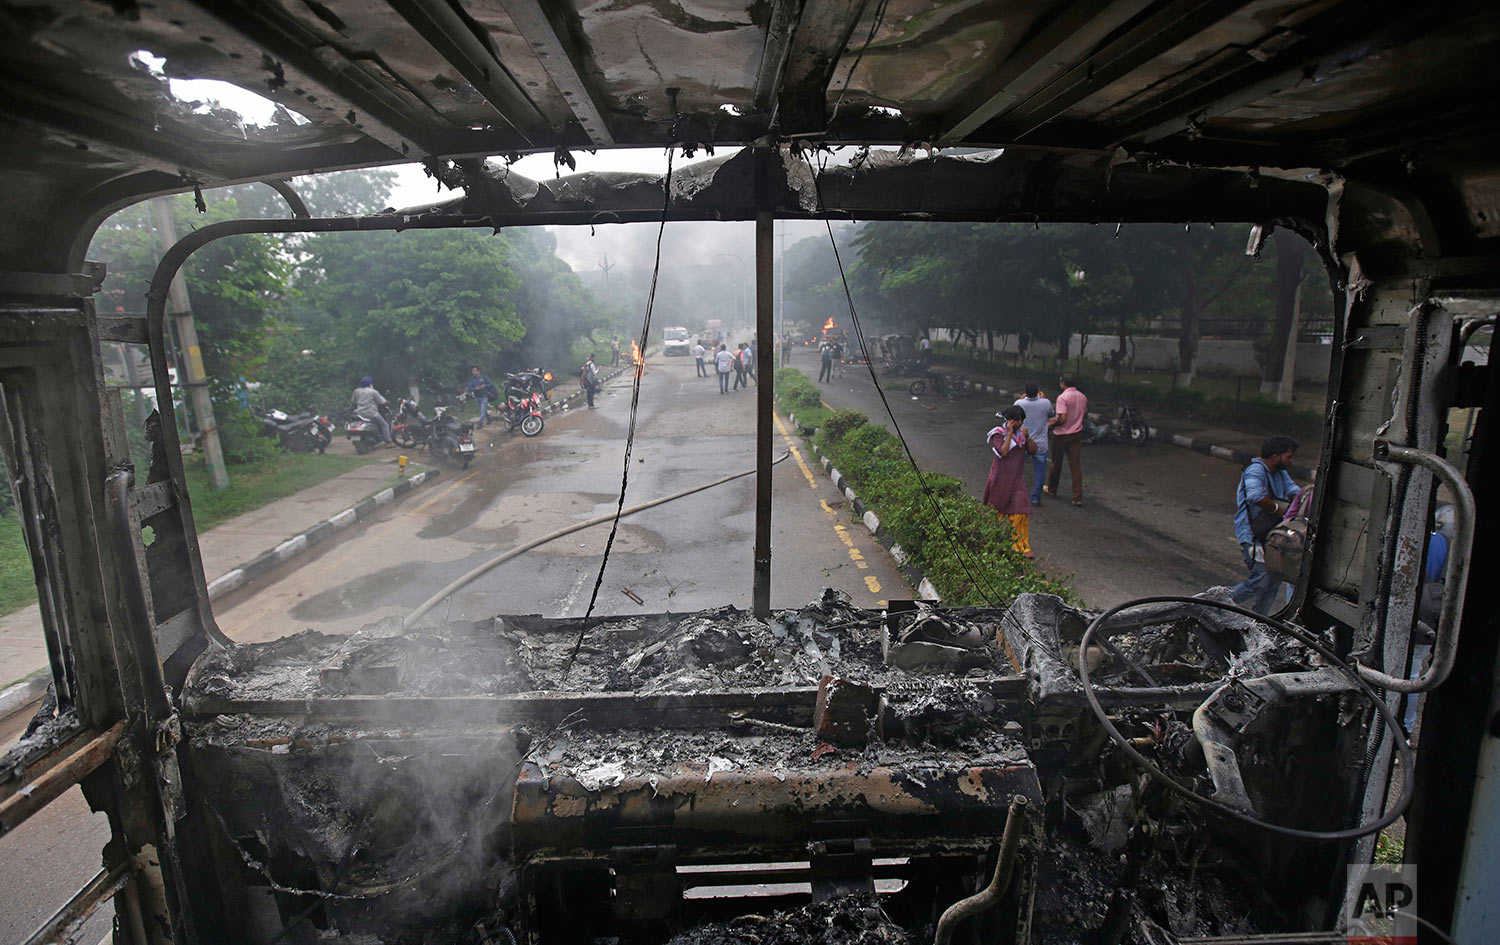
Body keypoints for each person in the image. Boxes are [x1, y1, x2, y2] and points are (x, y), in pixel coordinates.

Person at [1229, 435, 1302, 615]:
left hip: (1271, 535)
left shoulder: (1280, 472)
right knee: (1261, 578)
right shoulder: (1255, 470)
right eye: (1289, 456)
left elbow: (1295, 492)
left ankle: (1261, 619)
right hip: (1252, 535)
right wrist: (1278, 509)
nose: (1291, 461)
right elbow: (1254, 496)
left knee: (1274, 579)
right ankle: (1212, 604)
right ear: (1276, 456)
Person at [983, 406, 1037, 556]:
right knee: (997, 511)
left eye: (1022, 421)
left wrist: (1028, 438)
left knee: (1021, 510)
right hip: (1000, 479)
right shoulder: (998, 434)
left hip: (1017, 479)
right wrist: (1009, 434)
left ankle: (1021, 546)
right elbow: (1004, 452)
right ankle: (994, 540)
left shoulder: (1022, 436)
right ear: (1011, 421)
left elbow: (1033, 450)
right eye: (1019, 421)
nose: (1021, 424)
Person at [1043, 373, 1088, 507]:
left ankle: (1052, 489)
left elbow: (1062, 418)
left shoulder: (1063, 397)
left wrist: (1052, 424)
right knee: (1075, 465)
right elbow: (1083, 413)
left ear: (1063, 383)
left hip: (1061, 435)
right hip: (1076, 433)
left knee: (1056, 463)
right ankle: (1078, 497)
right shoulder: (1082, 397)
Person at [1013, 381, 1053, 504]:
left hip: (1022, 441)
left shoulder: (1019, 403)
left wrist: (1022, 398)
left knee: (1015, 468)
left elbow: (1014, 414)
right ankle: (1036, 497)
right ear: (1038, 391)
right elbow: (1051, 414)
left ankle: (1014, 493)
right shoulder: (1046, 403)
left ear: (1025, 392)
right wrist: (1043, 398)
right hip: (1040, 444)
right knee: (1040, 472)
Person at [350, 375, 393, 446]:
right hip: (372, 413)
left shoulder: (356, 391)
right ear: (370, 384)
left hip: (359, 413)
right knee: (384, 425)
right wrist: (387, 402)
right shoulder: (373, 392)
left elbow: (353, 401)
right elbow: (382, 402)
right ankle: (389, 442)